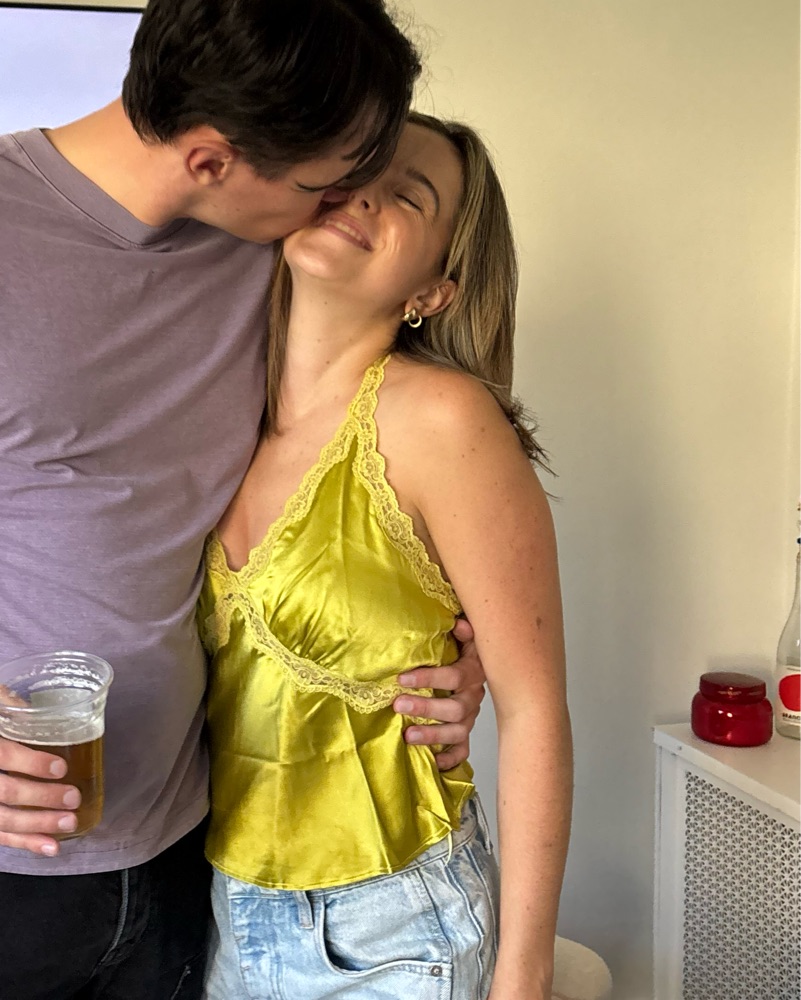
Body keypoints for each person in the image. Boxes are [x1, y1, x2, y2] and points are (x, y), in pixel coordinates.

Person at [0, 4, 487, 998]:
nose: (343, 204)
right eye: (326, 184)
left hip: (200, 852)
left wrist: (456, 643)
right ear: (213, 162)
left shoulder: (277, 246)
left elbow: (375, 458)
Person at [198, 111, 573, 1000]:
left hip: (394, 929)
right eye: (358, 166)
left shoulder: (442, 421)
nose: (365, 194)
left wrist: (522, 978)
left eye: (410, 195)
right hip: (221, 913)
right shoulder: (211, 402)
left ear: (433, 291)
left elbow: (534, 711)